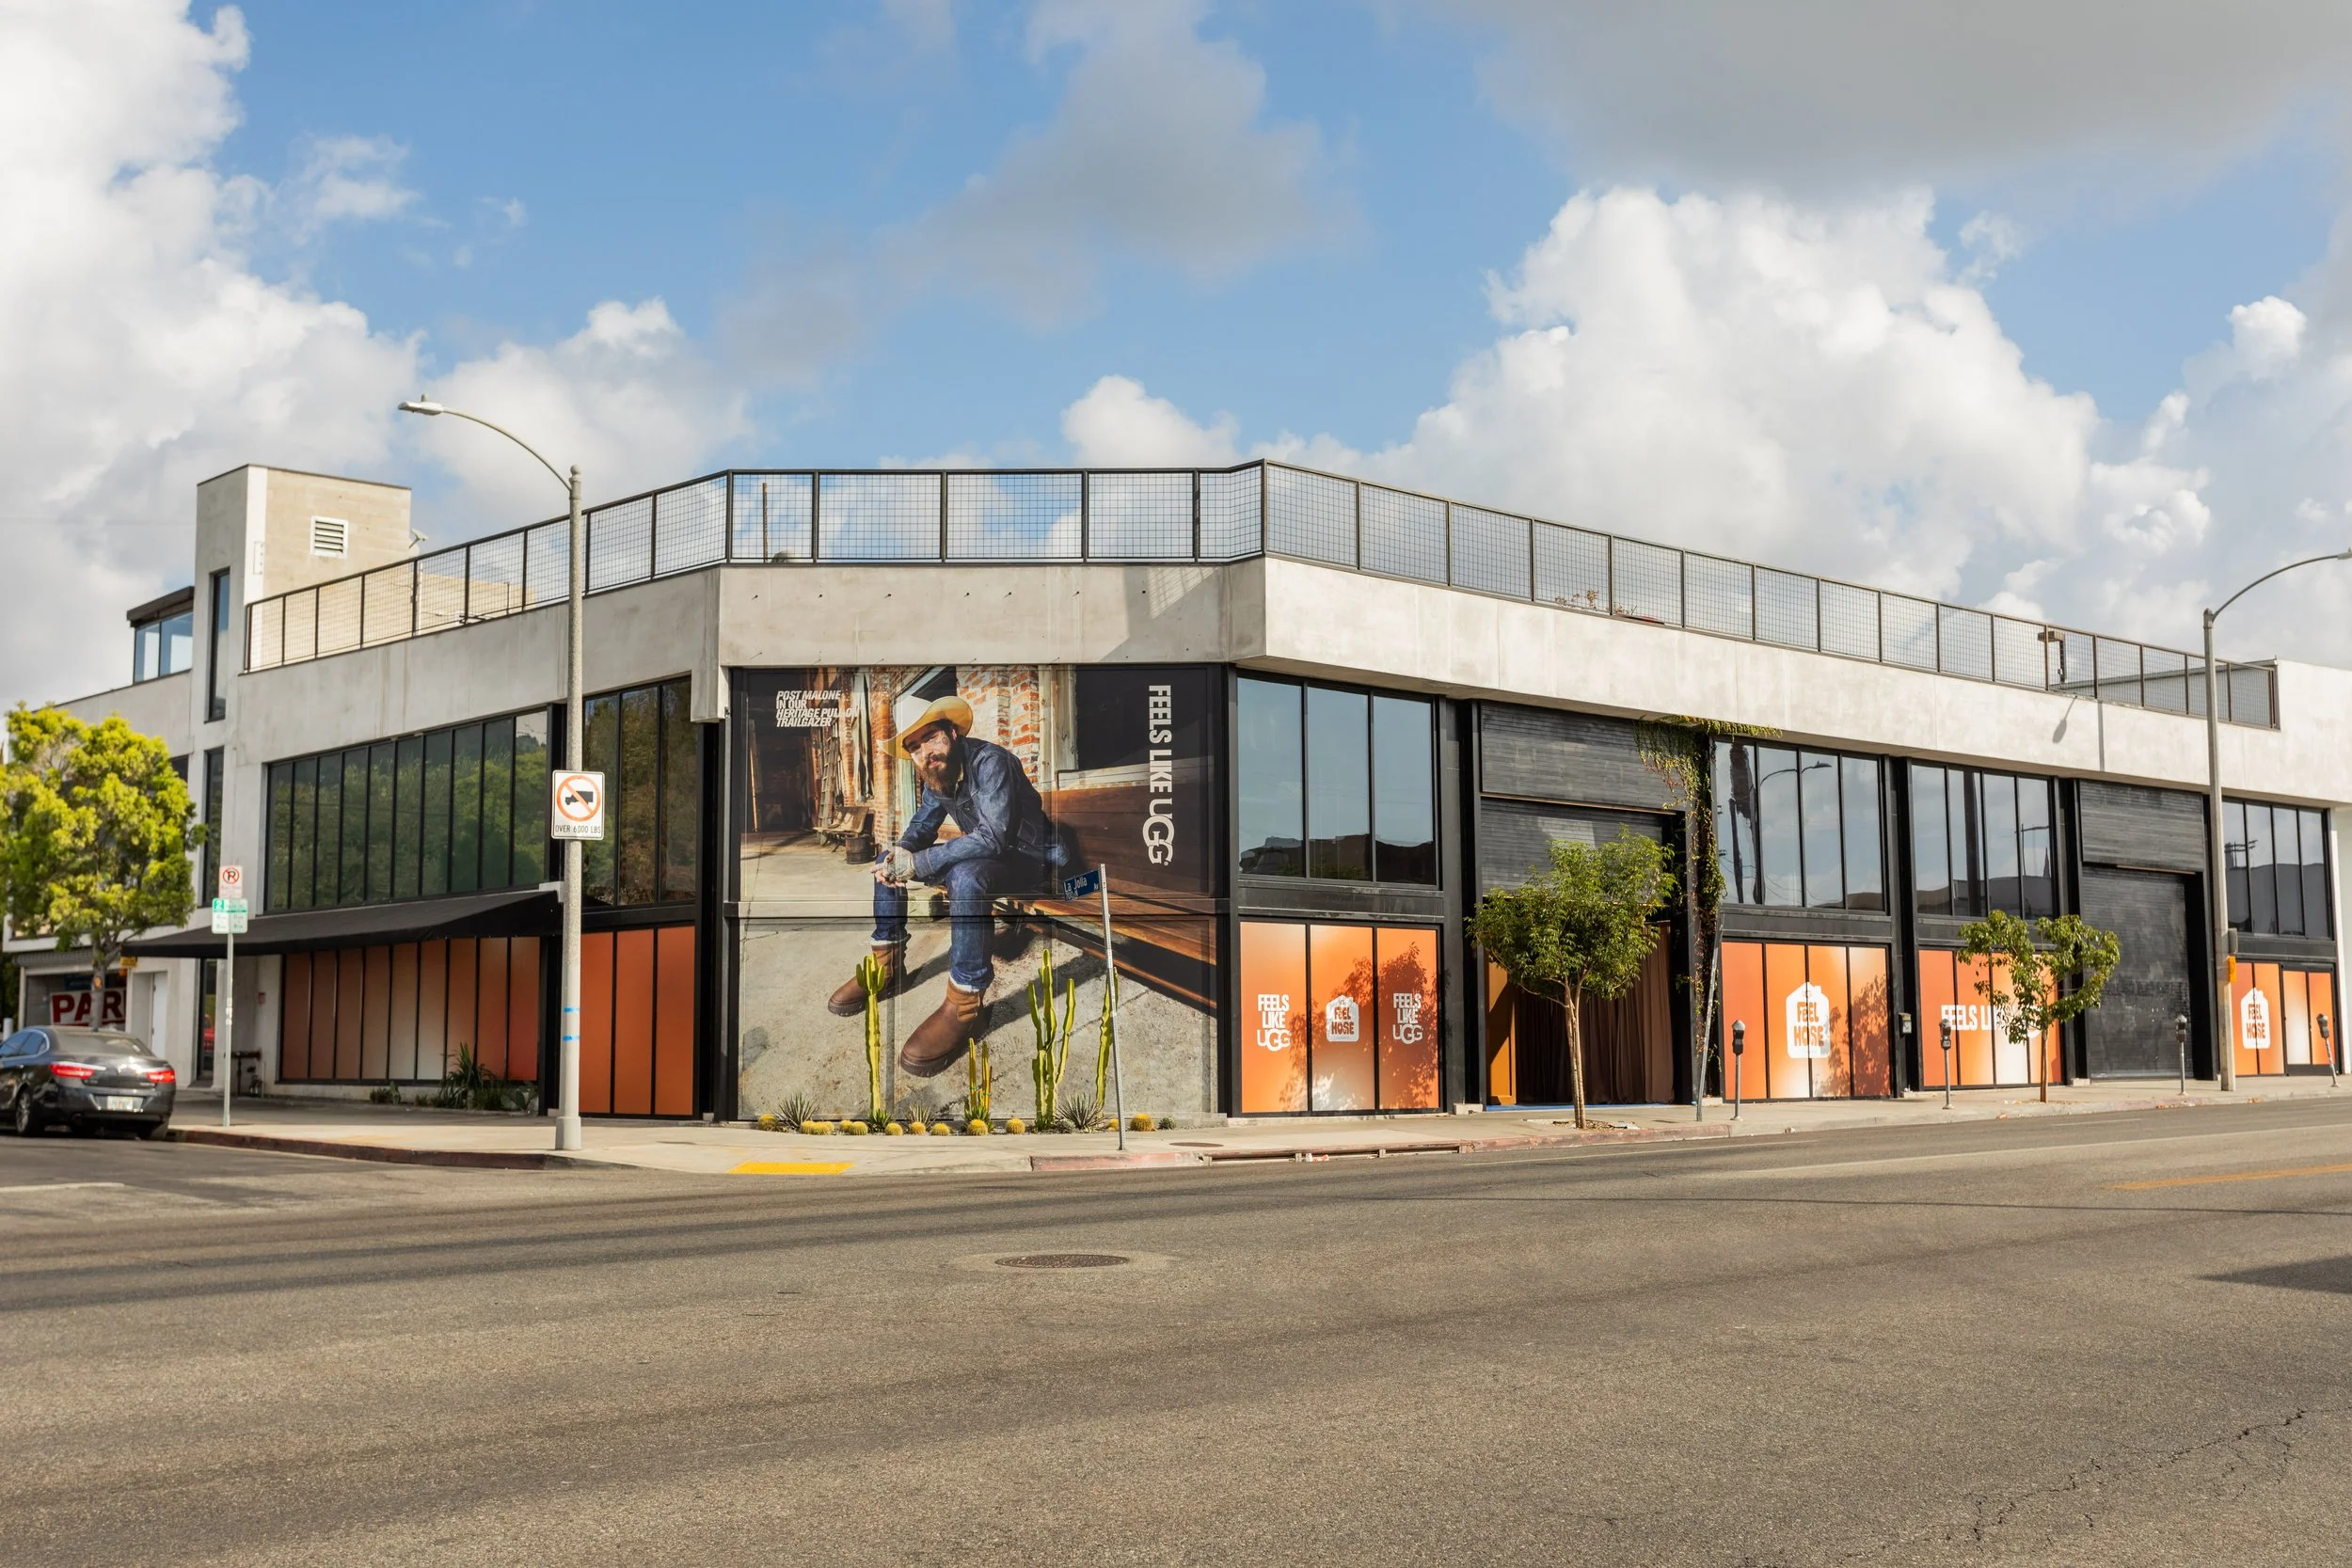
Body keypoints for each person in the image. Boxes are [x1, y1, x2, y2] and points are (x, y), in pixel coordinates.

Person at [828, 688, 1054, 1075]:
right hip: (991, 858)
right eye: (914, 746)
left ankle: (965, 1003)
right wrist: (901, 853)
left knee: (965, 875)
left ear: (952, 732)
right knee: (888, 860)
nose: (925, 752)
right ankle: (886, 967)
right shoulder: (937, 773)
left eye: (931, 737)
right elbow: (923, 825)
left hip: (1030, 861)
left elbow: (994, 837)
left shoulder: (991, 762)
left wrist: (919, 862)